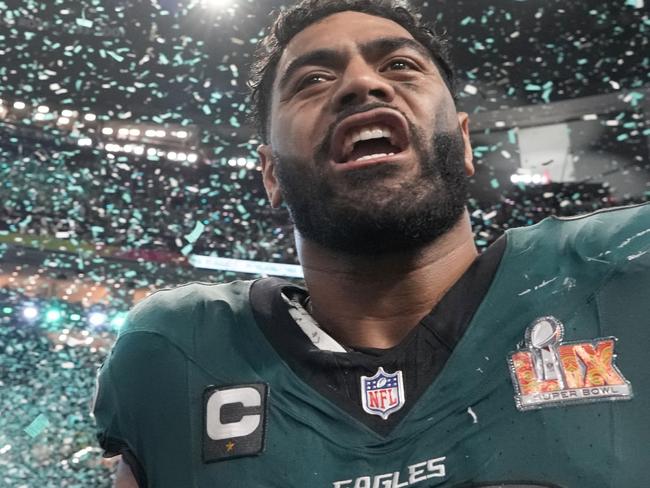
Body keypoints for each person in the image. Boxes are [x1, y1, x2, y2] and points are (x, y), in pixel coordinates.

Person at [93, 1, 650, 486]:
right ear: (268, 173)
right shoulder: (171, 353)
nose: (363, 85)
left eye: (400, 65)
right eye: (311, 80)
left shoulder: (627, 269)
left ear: (462, 141)